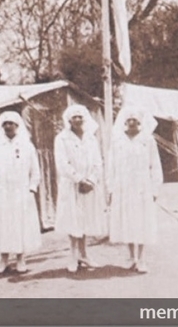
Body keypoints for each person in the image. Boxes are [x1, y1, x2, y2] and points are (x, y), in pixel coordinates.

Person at [0, 111, 42, 274]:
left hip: (20, 193)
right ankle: (3, 259)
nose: (8, 126)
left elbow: (35, 172)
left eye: (11, 123)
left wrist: (31, 190)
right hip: (1, 192)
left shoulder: (27, 146)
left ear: (17, 125)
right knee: (3, 225)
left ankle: (21, 259)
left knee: (19, 224)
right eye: (5, 124)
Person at [107, 106, 163, 273]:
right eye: (129, 120)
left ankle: (143, 258)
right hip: (123, 186)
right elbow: (111, 166)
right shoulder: (117, 141)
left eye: (136, 121)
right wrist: (110, 187)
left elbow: (155, 166)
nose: (132, 123)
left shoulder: (148, 140)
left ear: (140, 122)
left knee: (142, 221)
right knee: (128, 220)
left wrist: (154, 189)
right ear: (125, 122)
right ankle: (132, 257)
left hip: (142, 187)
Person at [54, 104, 106, 272]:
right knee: (73, 219)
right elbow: (62, 164)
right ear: (69, 119)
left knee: (84, 219)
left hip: (88, 187)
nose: (77, 120)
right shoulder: (61, 138)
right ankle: (73, 256)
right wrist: (79, 179)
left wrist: (90, 180)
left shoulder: (91, 138)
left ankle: (84, 254)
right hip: (71, 185)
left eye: (80, 117)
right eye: (74, 117)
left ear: (85, 118)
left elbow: (98, 162)